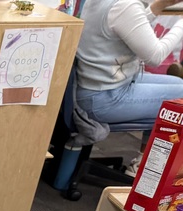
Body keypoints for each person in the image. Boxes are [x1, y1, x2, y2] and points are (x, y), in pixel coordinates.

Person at [76, 0, 183, 170]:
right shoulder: (125, 5)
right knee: (179, 98)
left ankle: (143, 163)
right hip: (104, 98)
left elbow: (127, 25)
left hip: (94, 89)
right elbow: (155, 57)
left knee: (178, 85)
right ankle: (150, 171)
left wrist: (157, 7)